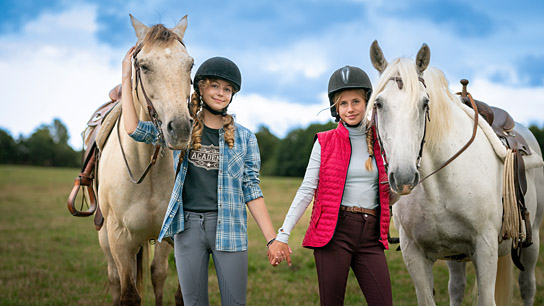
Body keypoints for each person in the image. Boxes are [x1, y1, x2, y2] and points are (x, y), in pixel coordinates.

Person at [121, 47, 277, 305]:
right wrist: (126, 77)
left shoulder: (245, 138)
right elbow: (134, 129)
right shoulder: (181, 130)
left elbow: (252, 190)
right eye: (214, 85)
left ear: (232, 95)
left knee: (235, 302)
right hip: (188, 228)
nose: (220, 93)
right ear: (200, 89)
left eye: (227, 89)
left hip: (229, 227)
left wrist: (272, 239)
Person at [268, 65, 393, 306]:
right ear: (336, 108)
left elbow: (390, 192)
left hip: (370, 235)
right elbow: (306, 190)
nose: (350, 109)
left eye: (356, 101)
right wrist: (282, 235)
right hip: (335, 234)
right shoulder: (324, 142)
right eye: (343, 104)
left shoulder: (382, 140)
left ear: (367, 101)